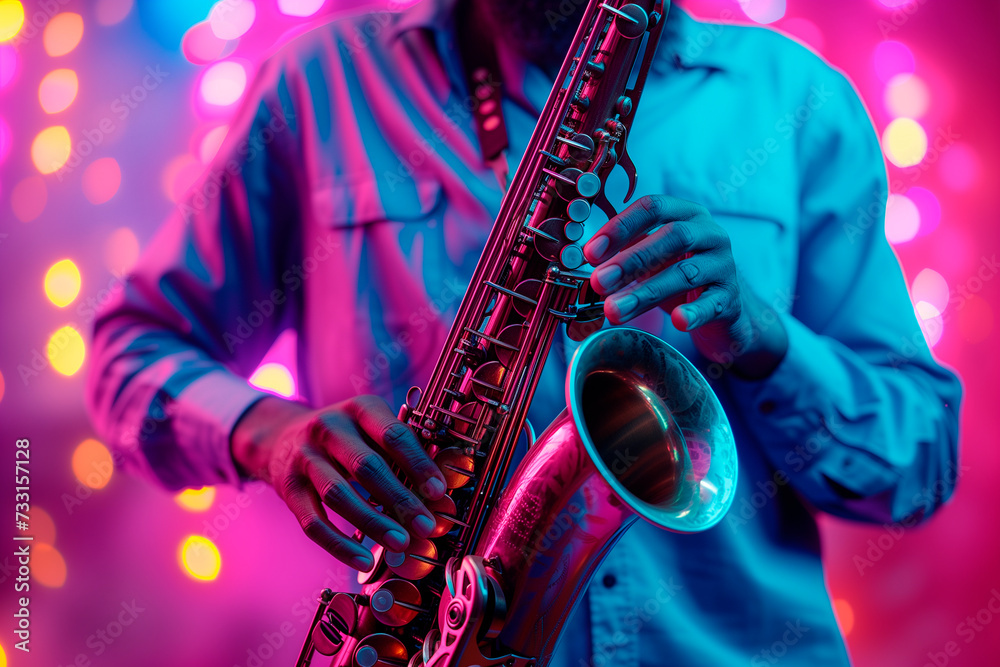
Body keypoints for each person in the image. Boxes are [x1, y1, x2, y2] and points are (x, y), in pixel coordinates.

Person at [85, 0, 963, 665]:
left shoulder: (799, 104)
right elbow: (131, 351)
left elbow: (915, 465)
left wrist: (764, 337)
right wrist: (266, 432)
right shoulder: (317, 86)